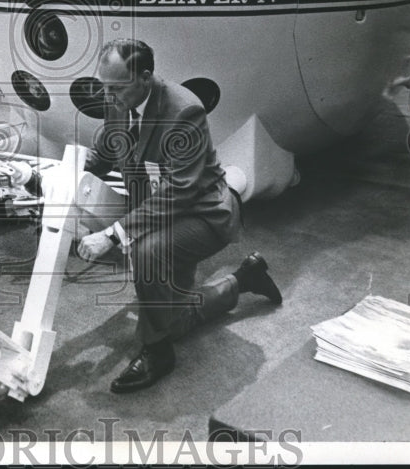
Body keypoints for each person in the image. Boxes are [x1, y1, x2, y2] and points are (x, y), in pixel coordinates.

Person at [77, 39, 282, 393]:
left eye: (116, 88)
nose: (108, 96)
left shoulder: (184, 111)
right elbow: (105, 150)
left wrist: (113, 234)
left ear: (145, 77)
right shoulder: (118, 99)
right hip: (158, 212)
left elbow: (179, 191)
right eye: (104, 87)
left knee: (147, 252)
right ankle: (245, 278)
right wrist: (56, 174)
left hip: (202, 214)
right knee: (174, 319)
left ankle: (157, 353)